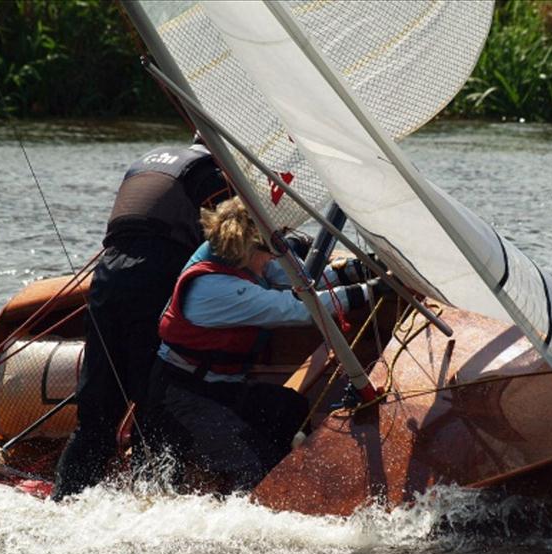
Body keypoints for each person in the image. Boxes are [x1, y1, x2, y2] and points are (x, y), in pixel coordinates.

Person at [143, 197, 387, 491]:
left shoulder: (242, 256)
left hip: (222, 389)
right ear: (248, 244)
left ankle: (287, 484)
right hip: (183, 397)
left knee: (289, 407)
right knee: (252, 464)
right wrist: (369, 291)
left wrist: (362, 269)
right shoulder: (214, 288)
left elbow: (302, 280)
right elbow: (297, 306)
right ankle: (256, 504)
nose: (274, 257)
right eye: (271, 250)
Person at [51, 139, 231, 501]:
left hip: (108, 273)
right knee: (156, 404)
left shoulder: (150, 160)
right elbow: (231, 239)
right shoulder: (210, 173)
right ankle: (152, 504)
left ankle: (66, 499)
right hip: (155, 275)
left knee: (98, 408)